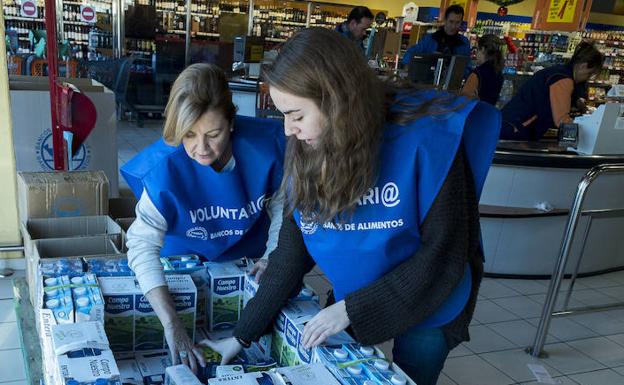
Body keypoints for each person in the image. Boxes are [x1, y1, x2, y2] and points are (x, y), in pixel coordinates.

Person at [200, 28, 500, 385]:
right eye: (283, 115)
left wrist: (350, 310)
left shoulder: (428, 141)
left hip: (430, 298)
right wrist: (241, 334)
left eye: (296, 114)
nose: (288, 130)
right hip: (360, 291)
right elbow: (291, 254)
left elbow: (443, 255)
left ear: (336, 100)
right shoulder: (308, 143)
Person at [120, 63, 284, 373]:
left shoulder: (267, 150)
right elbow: (141, 245)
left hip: (245, 261)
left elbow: (283, 209)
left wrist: (273, 255)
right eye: (189, 135)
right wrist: (171, 323)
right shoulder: (164, 169)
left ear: (232, 123)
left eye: (214, 134)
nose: (201, 149)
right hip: (183, 259)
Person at [500, 41, 604, 141]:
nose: (588, 78)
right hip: (516, 129)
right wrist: (590, 135)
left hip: (511, 124)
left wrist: (577, 102)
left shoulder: (559, 72)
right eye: (589, 74)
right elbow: (562, 121)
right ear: (583, 66)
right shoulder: (563, 79)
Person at [402, 4, 471, 74]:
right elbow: (408, 55)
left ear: (461, 22)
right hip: (427, 80)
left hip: (453, 82)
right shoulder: (430, 39)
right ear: (445, 20)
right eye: (451, 22)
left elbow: (468, 68)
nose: (453, 26)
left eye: (457, 23)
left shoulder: (464, 43)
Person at [461, 34, 504, 105]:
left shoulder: (477, 74)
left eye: (477, 49)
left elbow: (463, 101)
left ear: (483, 49)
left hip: (475, 113)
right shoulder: (498, 73)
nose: (476, 53)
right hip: (488, 113)